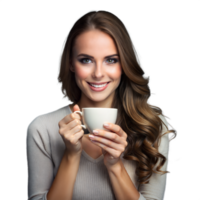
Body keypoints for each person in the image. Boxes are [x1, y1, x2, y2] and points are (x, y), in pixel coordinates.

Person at [25, 9, 179, 200]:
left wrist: (115, 166)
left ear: (124, 64)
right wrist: (71, 155)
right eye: (86, 60)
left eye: (111, 60)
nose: (98, 73)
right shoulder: (41, 129)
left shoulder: (152, 127)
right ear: (71, 63)